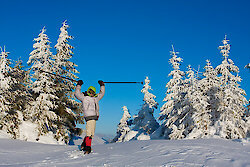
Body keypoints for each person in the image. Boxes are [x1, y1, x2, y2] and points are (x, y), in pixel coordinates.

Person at [74, 80, 105, 154]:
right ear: (88, 91)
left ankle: (84, 144)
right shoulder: (84, 97)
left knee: (92, 133)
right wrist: (79, 85)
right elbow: (77, 94)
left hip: (94, 117)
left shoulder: (95, 98)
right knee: (89, 133)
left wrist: (102, 85)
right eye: (90, 92)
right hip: (88, 116)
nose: (91, 93)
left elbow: (102, 93)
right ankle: (88, 147)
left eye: (93, 92)